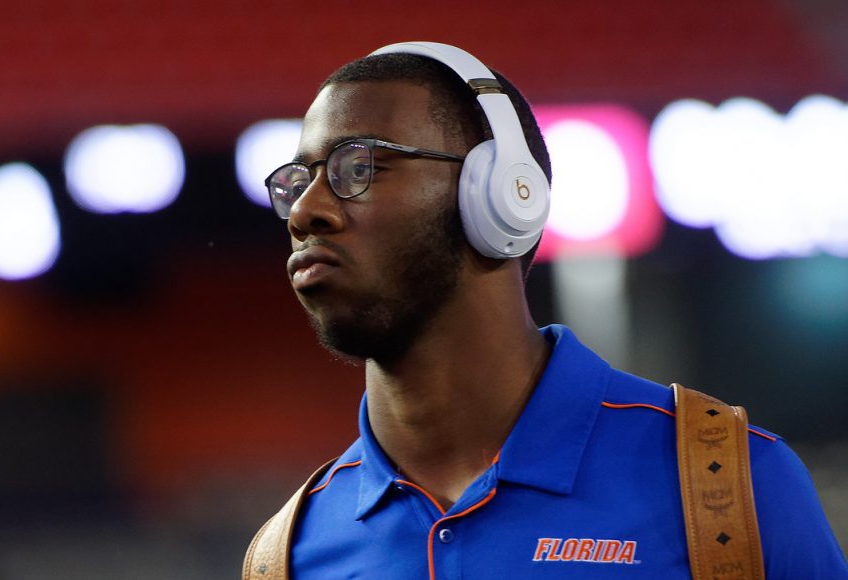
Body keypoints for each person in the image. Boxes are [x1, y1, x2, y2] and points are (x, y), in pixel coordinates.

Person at [254, 42, 847, 579]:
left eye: (358, 168)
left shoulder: (728, 483)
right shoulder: (289, 551)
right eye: (297, 181)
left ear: (500, 193)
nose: (305, 212)